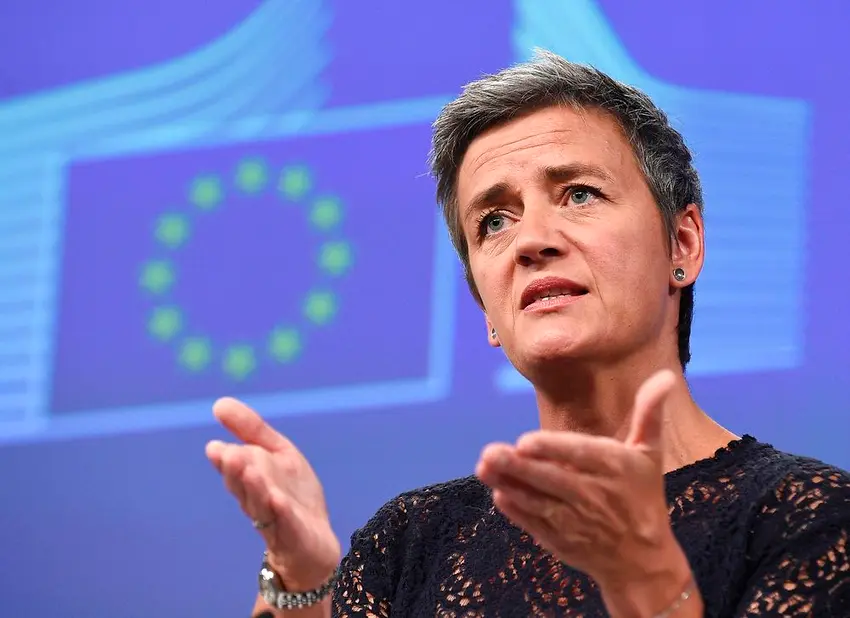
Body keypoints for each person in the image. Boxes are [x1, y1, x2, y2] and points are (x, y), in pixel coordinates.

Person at [205, 50, 850, 617]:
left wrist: (648, 585)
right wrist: (302, 581)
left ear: (682, 243)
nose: (531, 242)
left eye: (579, 194)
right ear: (486, 309)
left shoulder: (808, 518)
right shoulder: (411, 542)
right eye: (494, 221)